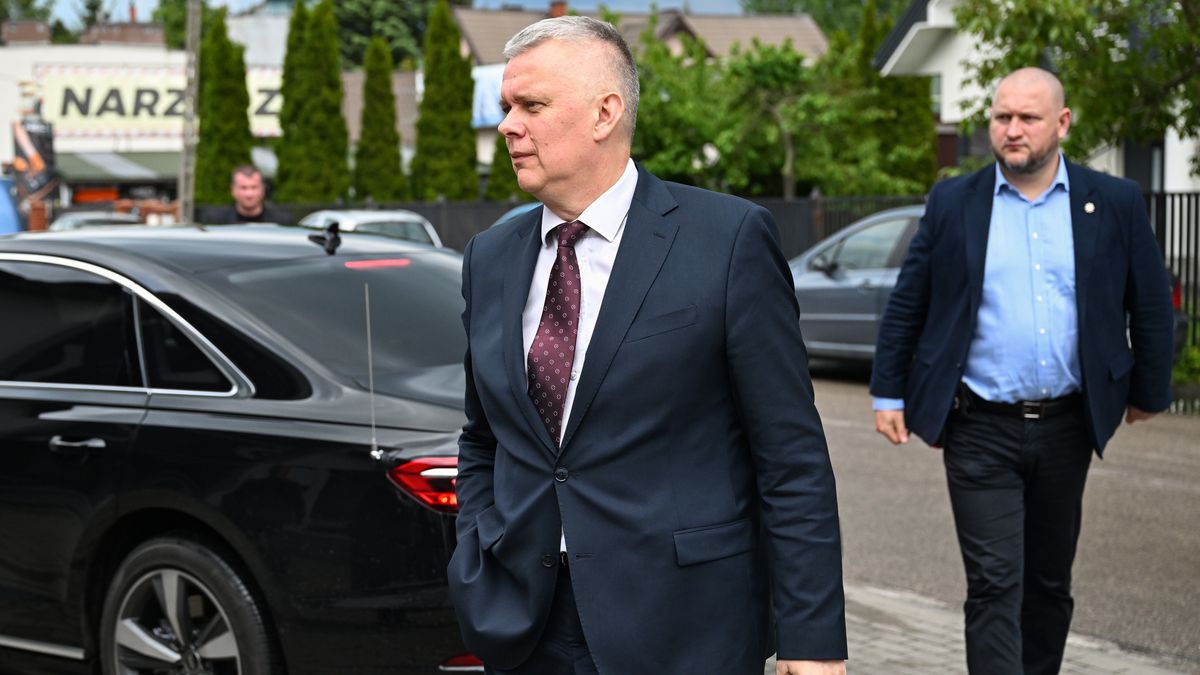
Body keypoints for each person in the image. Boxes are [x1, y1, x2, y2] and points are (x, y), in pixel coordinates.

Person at [448, 16, 847, 675]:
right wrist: (479, 543)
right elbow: (482, 436)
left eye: (531, 106)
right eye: (506, 107)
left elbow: (790, 457)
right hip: (525, 622)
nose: (508, 126)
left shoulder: (727, 239)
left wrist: (813, 640)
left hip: (686, 626)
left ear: (605, 113)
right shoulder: (489, 257)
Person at [870, 67, 1174, 674]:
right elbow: (911, 299)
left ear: (1062, 123)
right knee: (993, 582)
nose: (1012, 129)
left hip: (1067, 425)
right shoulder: (955, 201)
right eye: (1002, 116)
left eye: (1028, 118)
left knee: (1048, 583)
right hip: (978, 423)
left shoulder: (1112, 202)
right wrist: (888, 391)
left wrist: (1148, 390)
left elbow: (1148, 301)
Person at [208, 165, 291, 224]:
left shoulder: (281, 222)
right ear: (233, 190)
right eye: (243, 188)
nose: (249, 194)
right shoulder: (217, 222)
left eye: (254, 187)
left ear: (263, 189)